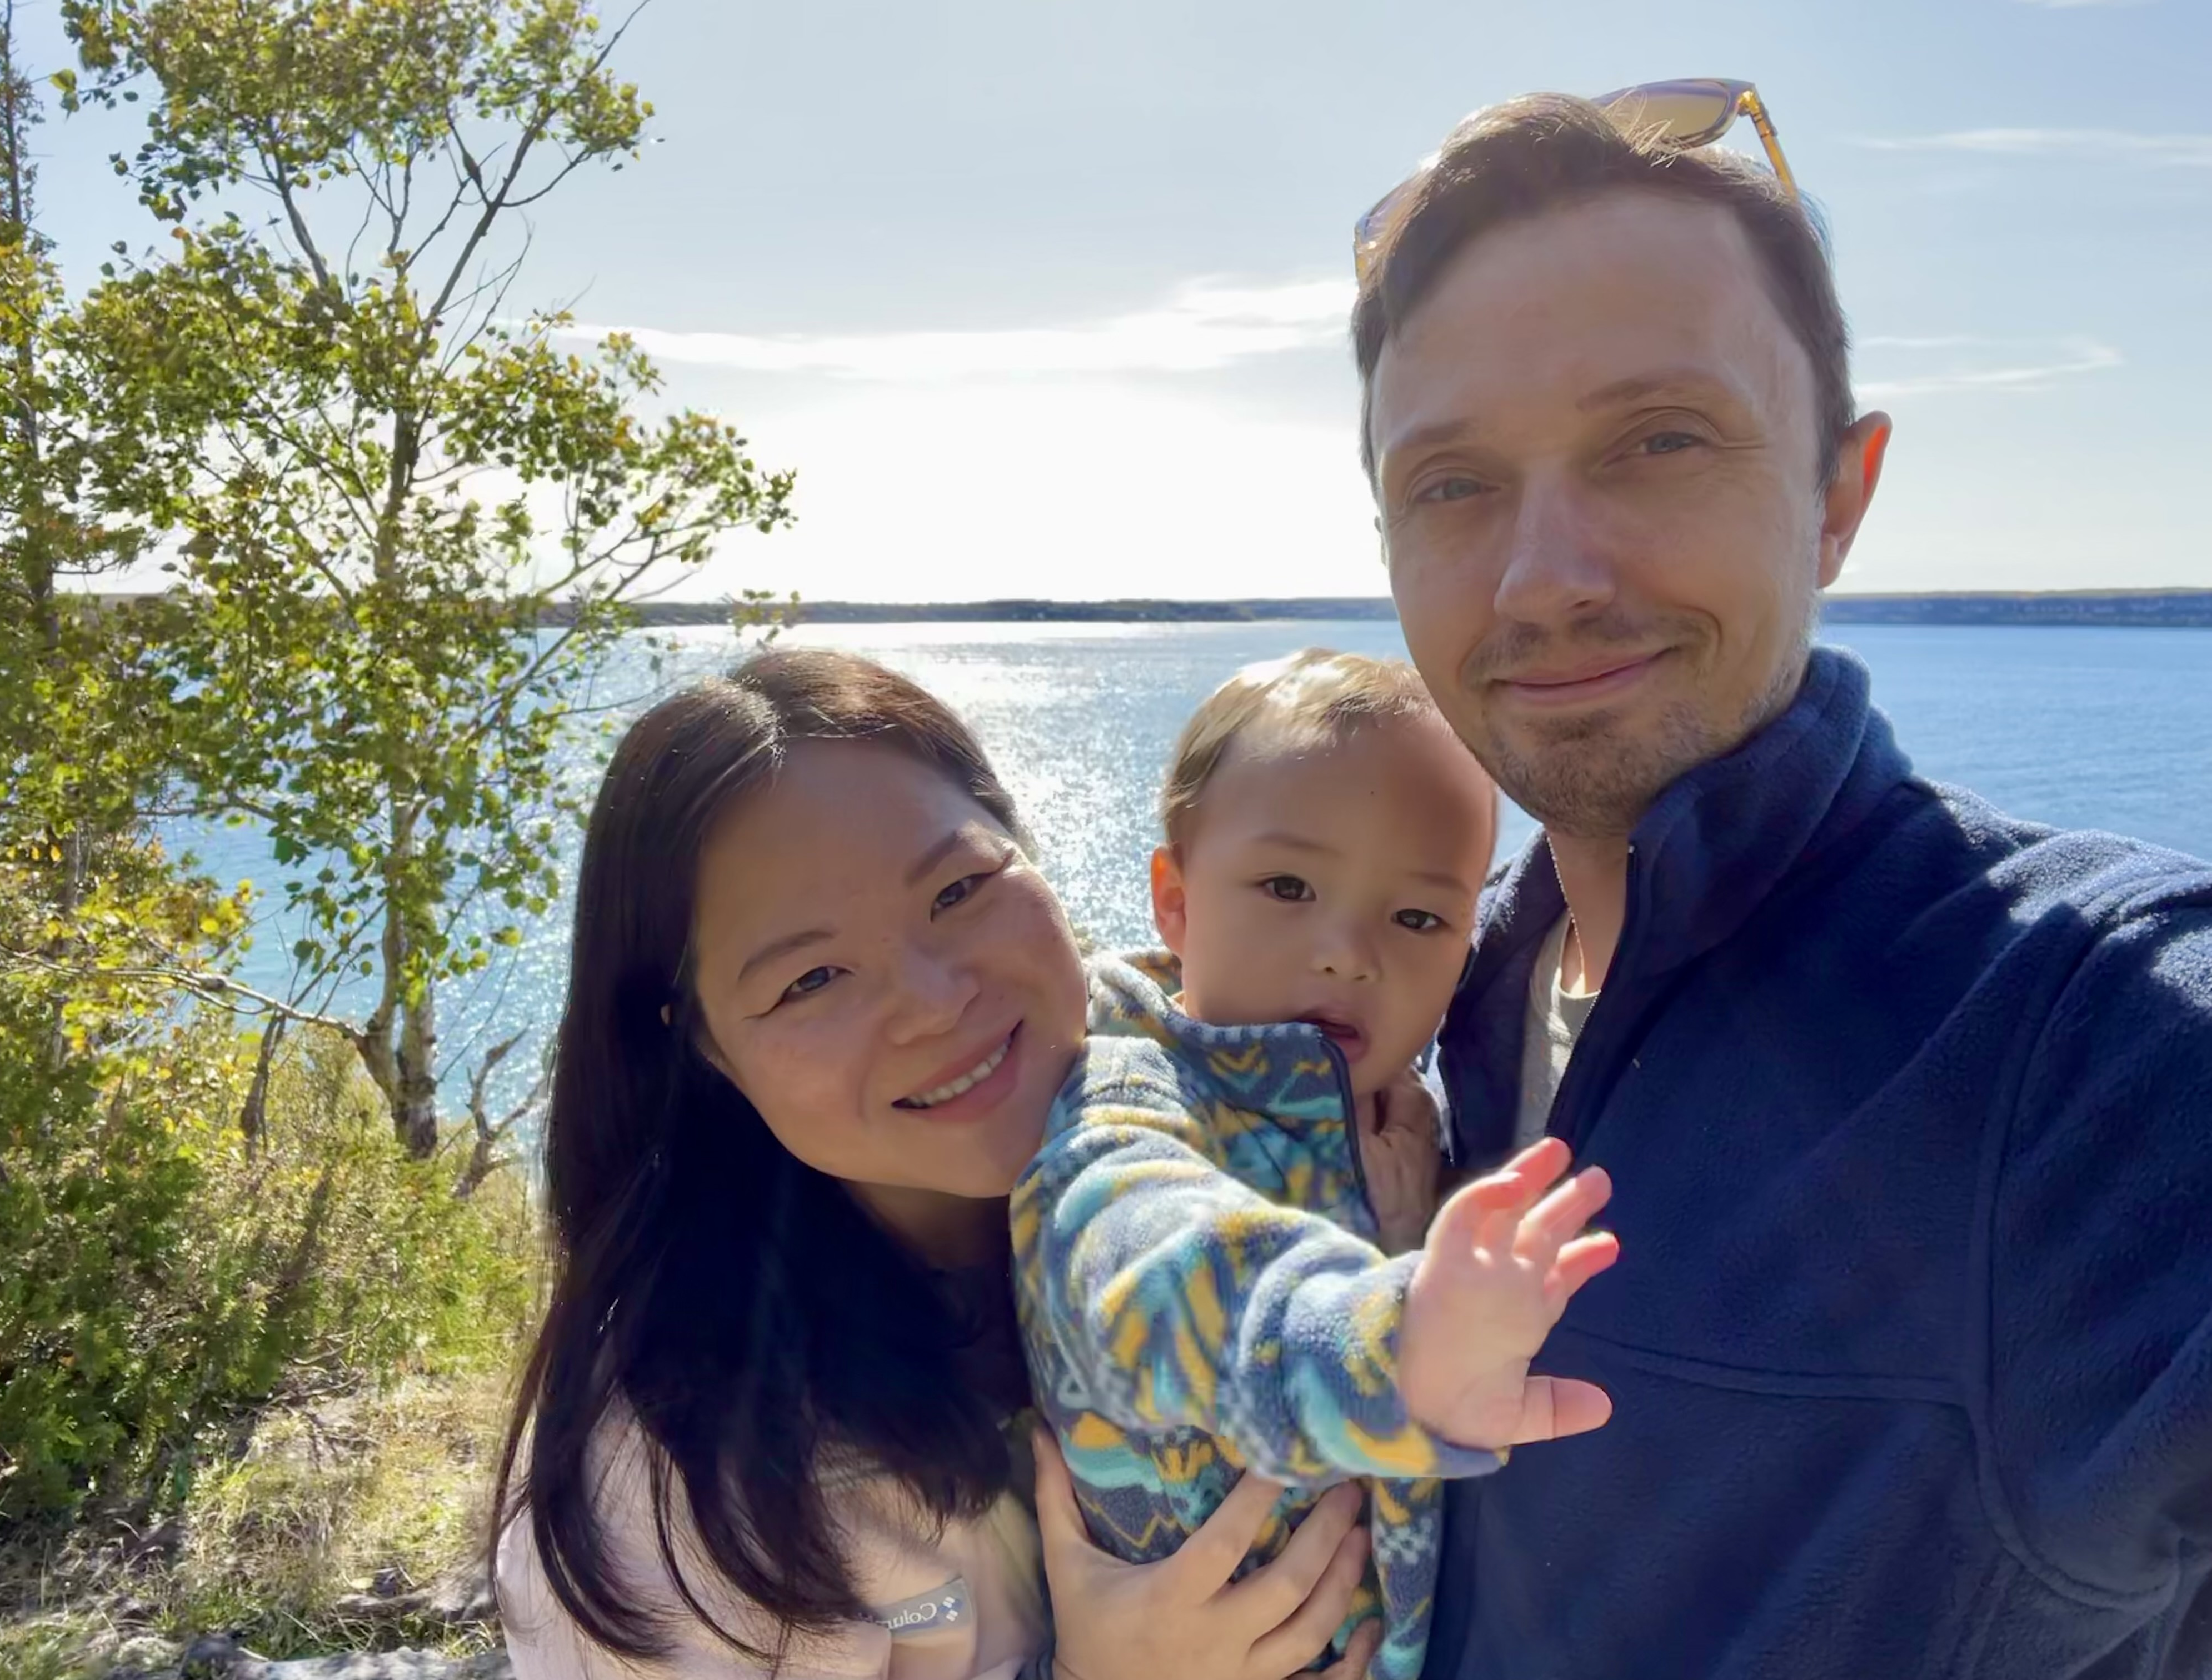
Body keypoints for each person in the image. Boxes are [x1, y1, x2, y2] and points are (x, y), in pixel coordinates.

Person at [1349, 93, 2212, 1678]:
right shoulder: (1432, 1003)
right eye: (1453, 484)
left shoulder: (2088, 1037)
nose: (1544, 576)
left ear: (1840, 496)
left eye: (1657, 440)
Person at [488, 647, 1392, 1680]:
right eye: (813, 977)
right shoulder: (675, 1486)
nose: (933, 1000)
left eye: (960, 889)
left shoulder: (1236, 1113)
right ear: (701, 1047)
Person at [1013, 648, 1620, 1680]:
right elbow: (1142, 1263)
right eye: (1287, 885)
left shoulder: (1401, 1123)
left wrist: (1400, 1234)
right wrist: (1396, 1342)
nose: (1347, 949)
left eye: (1418, 917)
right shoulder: (1122, 1089)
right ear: (1176, 899)